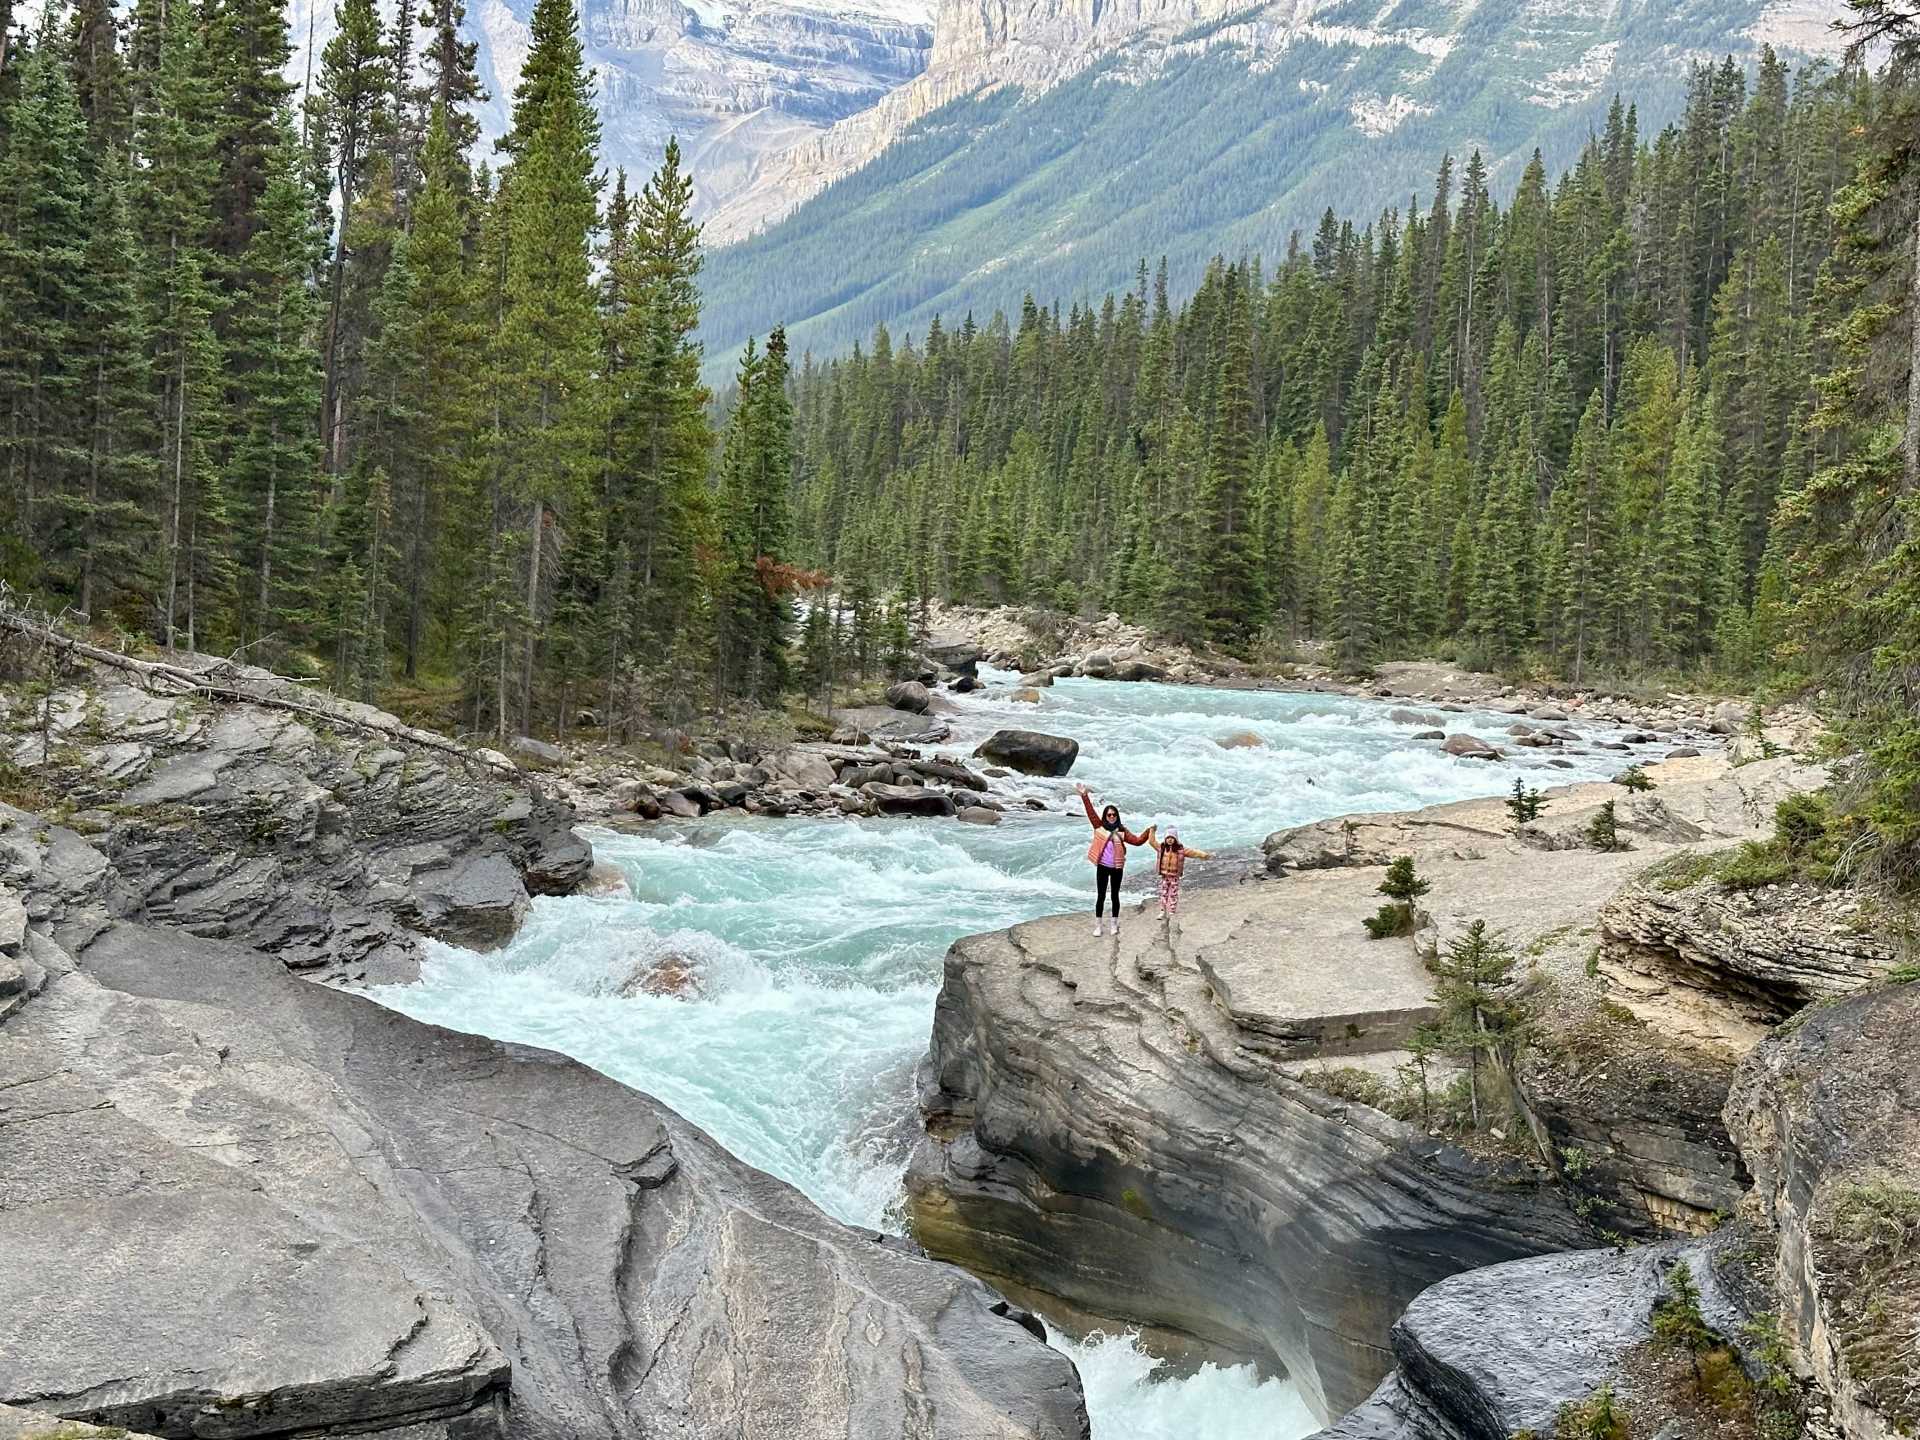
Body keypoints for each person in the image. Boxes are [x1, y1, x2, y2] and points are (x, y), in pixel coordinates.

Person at [1076, 783, 1154, 936]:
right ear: (1105, 817)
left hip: (1117, 868)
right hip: (1103, 867)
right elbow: (1091, 812)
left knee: (1115, 896)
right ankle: (1098, 926)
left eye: (1114, 815)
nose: (1111, 817)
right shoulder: (1099, 826)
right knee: (1101, 896)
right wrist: (1084, 795)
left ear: (1117, 816)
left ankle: (1113, 924)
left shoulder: (1122, 831)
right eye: (1109, 815)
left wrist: (1148, 831)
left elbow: (1138, 841)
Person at [1153, 828, 1212, 921]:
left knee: (1173, 894)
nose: (1170, 840)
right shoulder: (1162, 848)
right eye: (1168, 838)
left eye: (1172, 838)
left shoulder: (1181, 850)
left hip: (1174, 876)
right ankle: (1162, 911)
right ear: (1165, 839)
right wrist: (1151, 831)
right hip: (1165, 876)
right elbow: (1152, 842)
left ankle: (1172, 910)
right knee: (1163, 893)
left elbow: (1194, 852)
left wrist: (1204, 855)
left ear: (1176, 839)